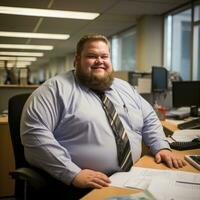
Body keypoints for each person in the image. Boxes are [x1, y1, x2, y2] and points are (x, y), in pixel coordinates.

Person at [21, 34, 186, 199]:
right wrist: (73, 173)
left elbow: (149, 117)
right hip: (82, 186)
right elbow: (34, 136)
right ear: (77, 60)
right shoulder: (53, 91)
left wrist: (161, 146)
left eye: (104, 56)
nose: (99, 61)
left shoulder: (125, 88)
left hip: (133, 177)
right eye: (92, 56)